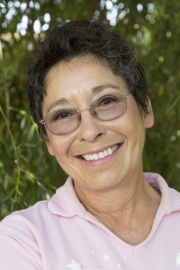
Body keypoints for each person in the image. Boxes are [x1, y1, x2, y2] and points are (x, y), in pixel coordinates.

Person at [0, 20, 180, 270]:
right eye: (62, 115)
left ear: (145, 110)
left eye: (106, 101)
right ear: (48, 140)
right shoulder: (24, 241)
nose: (90, 131)